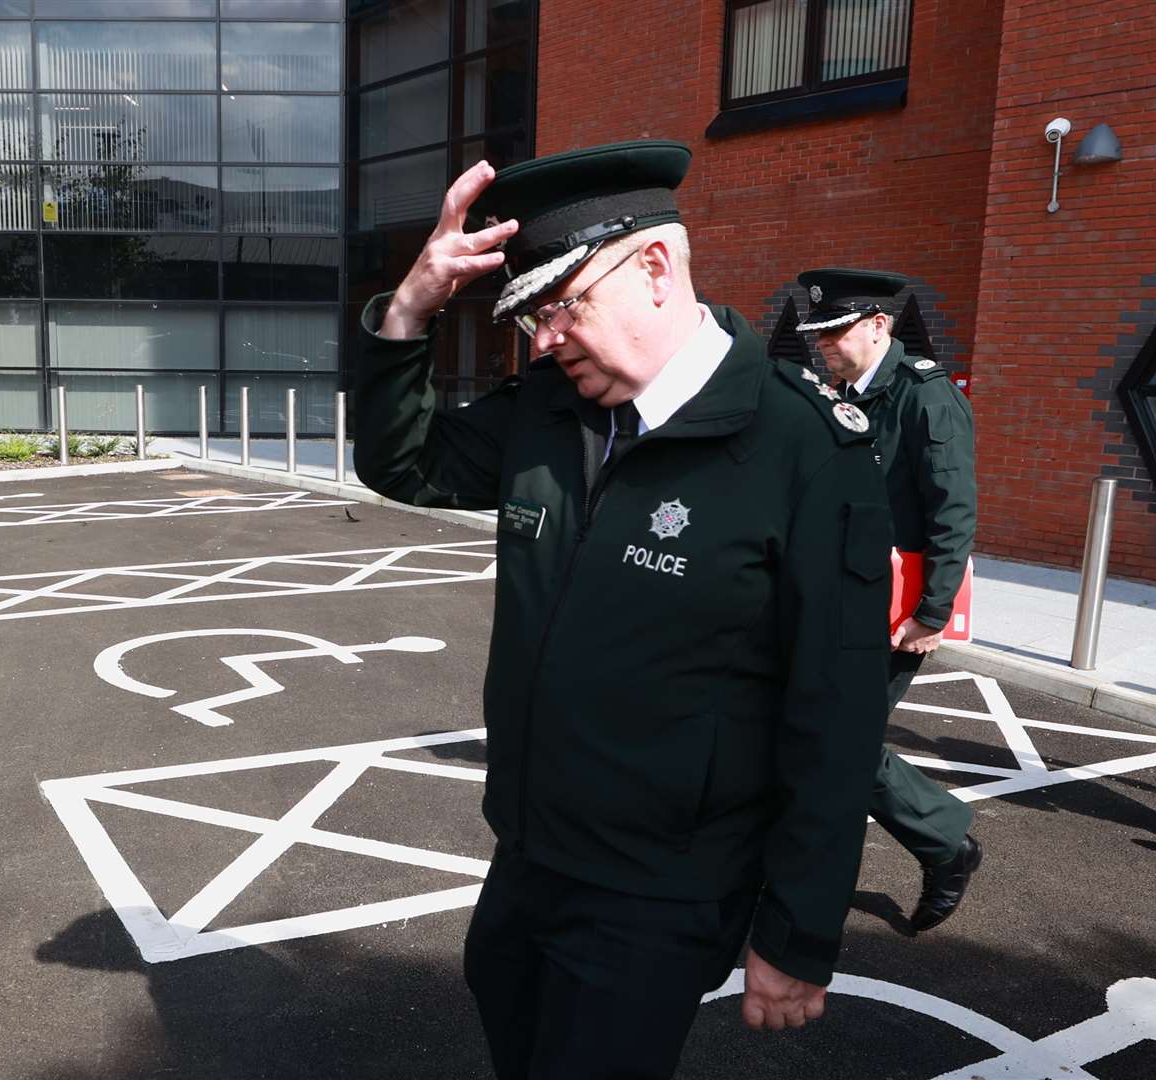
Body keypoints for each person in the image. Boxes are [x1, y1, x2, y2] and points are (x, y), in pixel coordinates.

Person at [351, 141, 894, 1080]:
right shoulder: (551, 411)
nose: (544, 341)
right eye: (527, 317)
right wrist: (409, 312)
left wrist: (799, 932)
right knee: (508, 1016)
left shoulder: (800, 448)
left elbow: (836, 713)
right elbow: (404, 464)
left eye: (560, 308)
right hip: (531, 849)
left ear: (653, 267)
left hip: (663, 884)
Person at [796, 268, 983, 931]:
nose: (821, 344)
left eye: (833, 332)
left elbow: (952, 512)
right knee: (818, 730)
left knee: (840, 738)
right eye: (815, 334)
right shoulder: (850, 394)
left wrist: (931, 613)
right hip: (838, 595)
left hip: (891, 610)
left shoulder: (925, 397)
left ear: (879, 325)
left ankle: (944, 842)